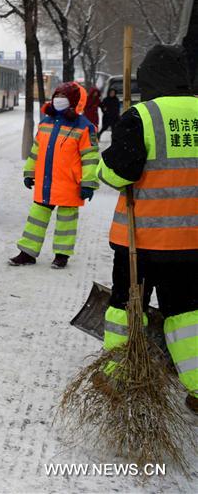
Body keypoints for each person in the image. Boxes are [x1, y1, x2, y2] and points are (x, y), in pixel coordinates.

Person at [96, 44, 197, 415]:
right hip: (191, 244)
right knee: (187, 314)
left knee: (126, 307)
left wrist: (103, 166)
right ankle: (197, 387)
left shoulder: (142, 116)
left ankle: (116, 375)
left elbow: (118, 174)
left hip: (141, 241)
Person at [9, 81, 99, 269]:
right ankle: (27, 253)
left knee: (66, 222)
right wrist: (29, 172)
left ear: (73, 100)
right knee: (36, 218)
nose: (58, 99)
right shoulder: (45, 123)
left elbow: (90, 158)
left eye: (63, 96)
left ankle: (61, 255)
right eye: (56, 96)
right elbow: (36, 151)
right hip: (46, 181)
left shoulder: (84, 127)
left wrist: (88, 183)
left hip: (69, 183)